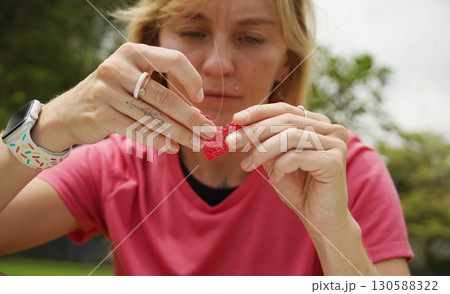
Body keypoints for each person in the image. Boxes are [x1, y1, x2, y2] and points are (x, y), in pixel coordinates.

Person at [0, 0, 413, 275]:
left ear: (285, 60)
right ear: (152, 46)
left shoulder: (343, 169)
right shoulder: (119, 162)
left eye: (251, 38)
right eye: (193, 33)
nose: (219, 66)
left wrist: (333, 230)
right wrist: (51, 124)